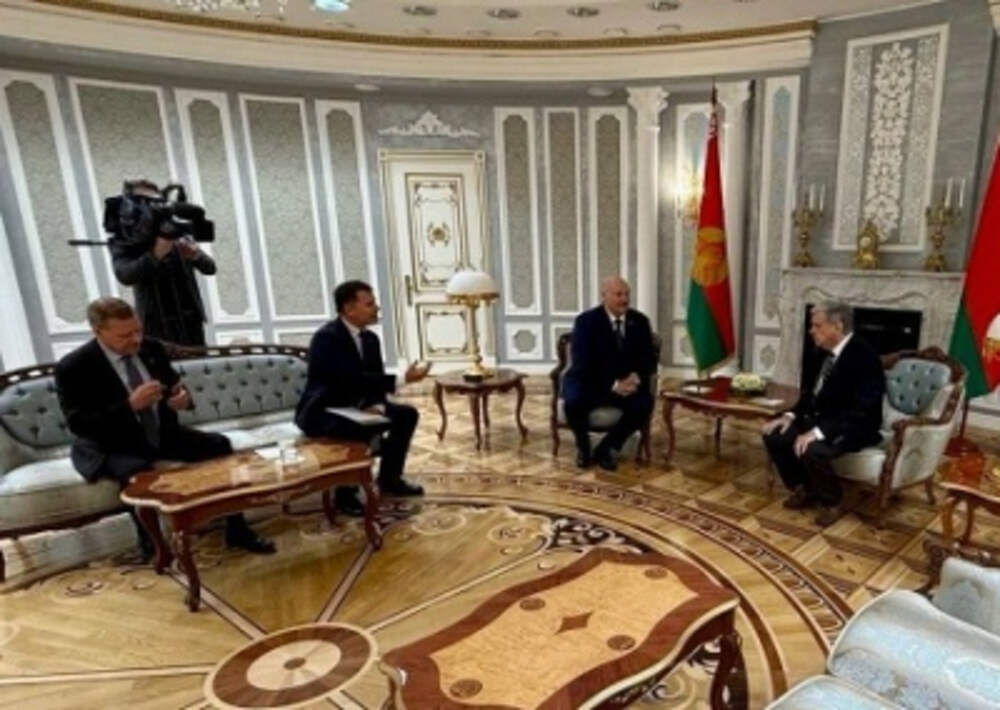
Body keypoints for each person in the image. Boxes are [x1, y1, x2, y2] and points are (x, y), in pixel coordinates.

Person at [55, 297, 275, 558]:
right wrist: (130, 406)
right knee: (137, 471)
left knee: (219, 445)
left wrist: (183, 399)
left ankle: (237, 530)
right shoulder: (74, 366)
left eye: (137, 330)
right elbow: (79, 425)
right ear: (98, 331)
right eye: (125, 335)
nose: (135, 340)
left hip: (161, 433)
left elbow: (175, 387)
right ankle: (153, 545)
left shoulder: (151, 348)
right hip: (111, 443)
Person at [296, 280, 431, 516]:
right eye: (369, 304)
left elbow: (374, 378)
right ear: (349, 309)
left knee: (406, 415)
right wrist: (403, 379)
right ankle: (345, 494)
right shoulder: (326, 338)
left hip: (358, 407)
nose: (376, 308)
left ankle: (389, 479)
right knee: (356, 427)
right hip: (324, 410)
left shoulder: (370, 339)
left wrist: (377, 405)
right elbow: (348, 380)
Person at [761, 301, 885, 527]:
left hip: (855, 427)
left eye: (817, 326)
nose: (811, 331)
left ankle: (832, 501)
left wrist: (817, 433)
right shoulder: (821, 351)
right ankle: (804, 488)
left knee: (813, 448)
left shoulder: (864, 356)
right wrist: (789, 416)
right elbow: (809, 395)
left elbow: (861, 410)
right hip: (822, 420)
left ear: (838, 326)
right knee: (775, 435)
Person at [562, 276, 656, 472]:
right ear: (604, 295)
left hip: (626, 384)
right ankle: (583, 447)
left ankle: (608, 448)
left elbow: (648, 359)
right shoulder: (586, 322)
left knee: (644, 403)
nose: (624, 299)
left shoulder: (640, 321)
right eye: (618, 294)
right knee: (573, 402)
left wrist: (635, 377)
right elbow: (583, 364)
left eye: (627, 294)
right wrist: (613, 385)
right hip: (591, 383)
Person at [109, 180, 215, 346]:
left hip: (190, 321)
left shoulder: (175, 230)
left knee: (197, 361)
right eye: (144, 202)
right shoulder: (125, 239)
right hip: (155, 325)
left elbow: (210, 268)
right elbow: (125, 275)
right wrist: (155, 254)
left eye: (156, 202)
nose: (152, 207)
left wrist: (195, 256)